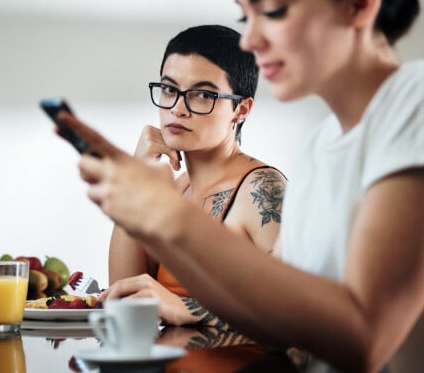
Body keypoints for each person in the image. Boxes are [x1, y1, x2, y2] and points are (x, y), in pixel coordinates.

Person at [58, 0, 424, 371]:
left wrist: (167, 217)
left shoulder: (423, 96)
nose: (250, 38)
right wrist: (142, 213)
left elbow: (366, 337)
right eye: (244, 15)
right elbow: (275, 328)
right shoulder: (319, 146)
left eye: (272, 9)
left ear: (359, 3)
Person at [98, 25, 287, 328]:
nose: (178, 108)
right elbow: (126, 297)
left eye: (202, 95)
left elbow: (302, 315)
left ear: (241, 109)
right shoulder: (177, 189)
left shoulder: (260, 189)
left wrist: (187, 308)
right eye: (170, 89)